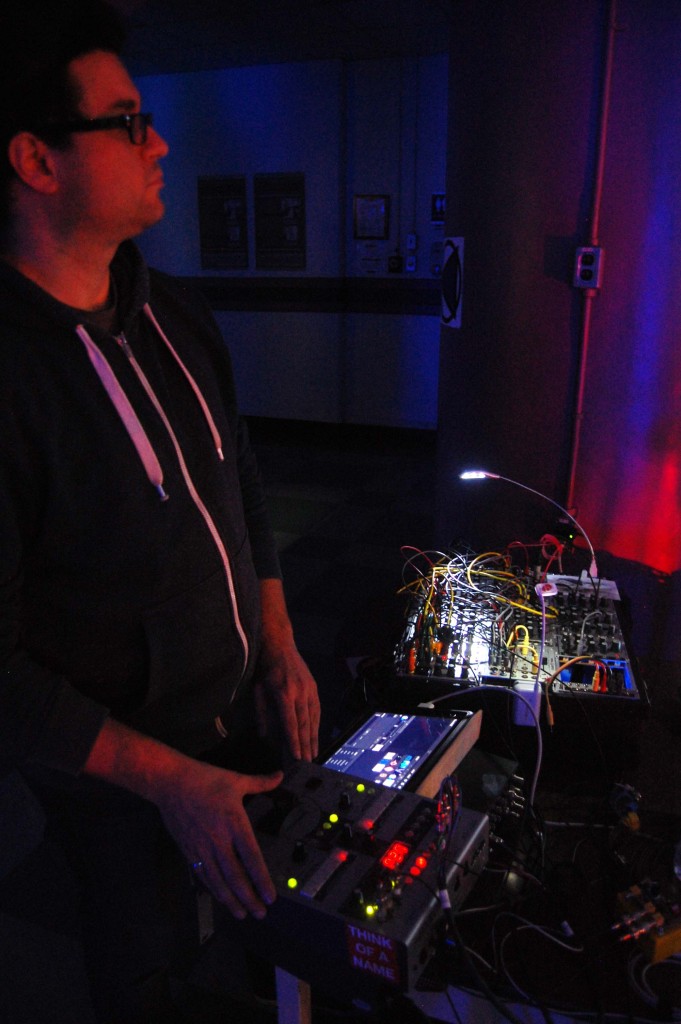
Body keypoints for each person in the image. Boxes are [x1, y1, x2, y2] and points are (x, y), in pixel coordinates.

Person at [0, 2, 321, 1020]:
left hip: (235, 727)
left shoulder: (176, 309)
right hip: (116, 784)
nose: (162, 140)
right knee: (140, 972)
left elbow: (242, 480)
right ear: (37, 162)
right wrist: (165, 779)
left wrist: (277, 644)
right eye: (128, 121)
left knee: (261, 939)